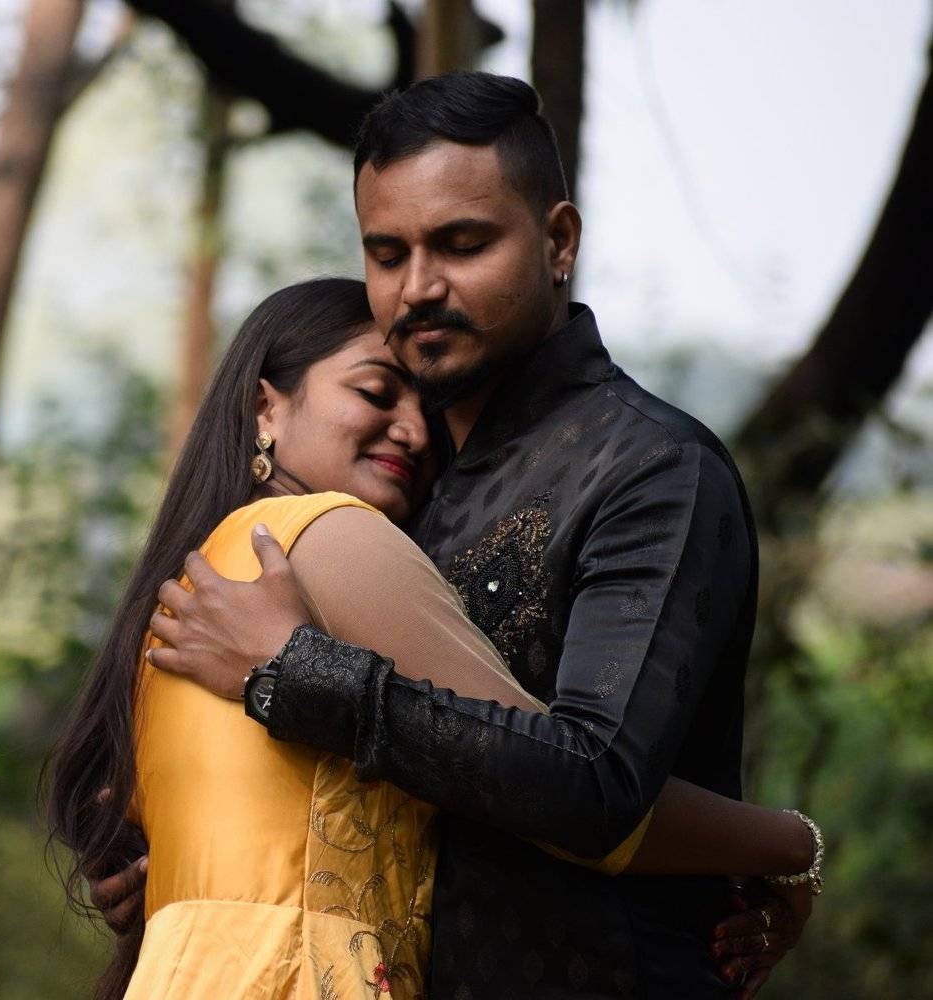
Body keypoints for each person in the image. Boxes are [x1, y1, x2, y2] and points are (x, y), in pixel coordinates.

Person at [139, 72, 821, 1000]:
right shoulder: (406, 498)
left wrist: (295, 673)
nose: (418, 288)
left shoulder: (652, 469)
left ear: (558, 241)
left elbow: (596, 786)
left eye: (463, 245)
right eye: (388, 254)